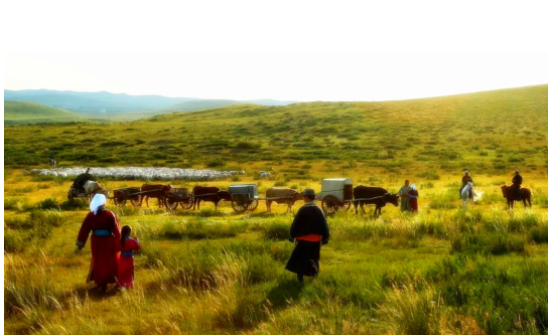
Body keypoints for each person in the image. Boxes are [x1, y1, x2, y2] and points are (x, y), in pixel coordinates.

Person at [76, 194, 121, 291]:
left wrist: (80, 244)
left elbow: (84, 230)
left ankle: (101, 283)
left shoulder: (91, 215)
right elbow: (117, 230)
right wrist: (119, 243)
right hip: (109, 241)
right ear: (104, 202)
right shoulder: (110, 214)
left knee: (98, 261)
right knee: (109, 261)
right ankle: (108, 280)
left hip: (96, 242)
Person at [285, 189, 329, 283]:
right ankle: (314, 276)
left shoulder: (303, 210)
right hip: (316, 240)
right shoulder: (319, 210)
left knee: (300, 259)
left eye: (304, 196)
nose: (303, 197)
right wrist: (325, 237)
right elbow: (324, 224)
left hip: (303, 240)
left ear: (306, 197)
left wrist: (291, 236)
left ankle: (300, 278)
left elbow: (295, 224)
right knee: (313, 258)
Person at [118, 225, 141, 289]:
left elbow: (117, 248)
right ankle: (129, 283)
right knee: (130, 270)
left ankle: (122, 284)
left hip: (122, 258)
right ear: (129, 232)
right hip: (129, 258)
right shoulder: (131, 241)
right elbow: (137, 247)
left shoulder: (120, 241)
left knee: (122, 271)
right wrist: (137, 241)